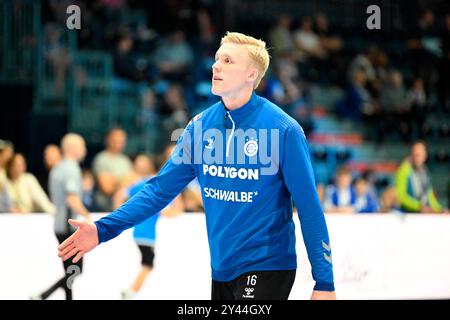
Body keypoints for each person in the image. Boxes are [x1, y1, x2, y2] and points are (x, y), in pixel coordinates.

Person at [58, 32, 336, 300]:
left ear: (251, 75)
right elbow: (158, 191)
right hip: (222, 268)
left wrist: (324, 282)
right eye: (217, 58)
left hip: (268, 265)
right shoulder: (199, 128)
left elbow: (310, 208)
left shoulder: (284, 130)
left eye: (228, 60)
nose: (216, 65)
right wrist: (103, 229)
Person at [115, 150, 185, 300]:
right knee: (148, 264)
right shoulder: (153, 183)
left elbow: (119, 199)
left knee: (147, 264)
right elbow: (178, 207)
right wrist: (165, 212)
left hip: (140, 232)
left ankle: (131, 292)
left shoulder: (139, 184)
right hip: (146, 234)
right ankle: (130, 292)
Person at [32, 134, 91, 300]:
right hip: (68, 226)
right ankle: (43, 294)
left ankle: (54, 296)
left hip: (59, 224)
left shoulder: (57, 168)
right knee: (75, 269)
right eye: (82, 146)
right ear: (72, 149)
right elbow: (71, 198)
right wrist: (88, 216)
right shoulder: (71, 168)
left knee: (70, 270)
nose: (84, 150)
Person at [395, 141, 447, 213]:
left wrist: (440, 210)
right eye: (415, 154)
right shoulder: (404, 170)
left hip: (420, 213)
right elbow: (400, 197)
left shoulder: (425, 171)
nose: (417, 157)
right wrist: (418, 206)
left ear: (425, 156)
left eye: (419, 154)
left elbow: (429, 196)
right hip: (407, 214)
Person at [92, 128, 133, 212]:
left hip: (123, 206)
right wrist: (123, 183)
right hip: (105, 208)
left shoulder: (125, 160)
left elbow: (132, 183)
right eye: (115, 141)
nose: (118, 144)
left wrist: (117, 182)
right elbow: (107, 188)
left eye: (121, 141)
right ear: (108, 140)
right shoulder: (101, 159)